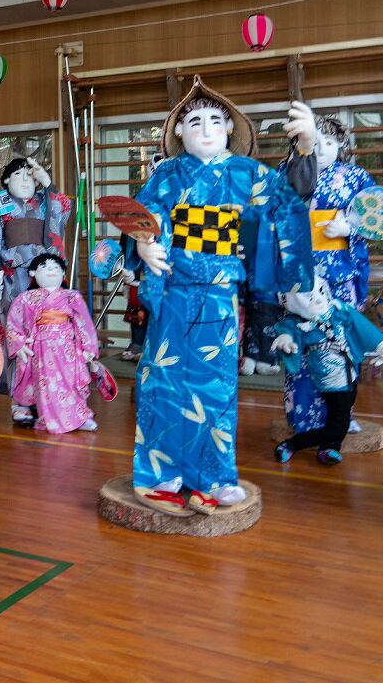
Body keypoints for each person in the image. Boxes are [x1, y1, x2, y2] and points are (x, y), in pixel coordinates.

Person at [123, 78, 317, 516]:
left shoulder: (246, 173)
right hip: (172, 287)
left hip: (217, 293)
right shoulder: (167, 173)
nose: (205, 128)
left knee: (216, 387)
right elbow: (142, 214)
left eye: (215, 120)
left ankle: (214, 476)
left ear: (230, 127)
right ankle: (159, 474)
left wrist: (305, 147)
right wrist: (142, 243)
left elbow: (290, 199)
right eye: (193, 121)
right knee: (163, 381)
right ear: (179, 134)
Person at [270, 274, 383, 465]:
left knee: (340, 414)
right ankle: (292, 444)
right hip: (327, 372)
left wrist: (381, 343)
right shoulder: (298, 321)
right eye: (309, 298)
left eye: (320, 292)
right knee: (340, 422)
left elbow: (360, 324)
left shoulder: (339, 310)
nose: (317, 299)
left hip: (349, 369)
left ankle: (329, 448)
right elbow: (287, 329)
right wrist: (286, 338)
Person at [0, 156, 71, 387]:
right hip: (13, 274)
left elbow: (63, 212)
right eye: (18, 174)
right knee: (15, 325)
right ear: (6, 180)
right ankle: (16, 387)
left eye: (30, 175)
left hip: (45, 273)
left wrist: (48, 182)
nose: (25, 179)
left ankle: (50, 386)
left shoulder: (44, 199)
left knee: (48, 326)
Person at [4, 253, 99, 433]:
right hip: (41, 346)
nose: (51, 270)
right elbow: (14, 322)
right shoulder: (26, 298)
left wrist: (88, 347)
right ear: (33, 272)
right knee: (46, 384)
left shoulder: (72, 296)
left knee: (71, 382)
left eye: (56, 267)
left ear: (63, 273)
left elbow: (83, 322)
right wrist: (19, 344)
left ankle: (80, 417)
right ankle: (48, 418)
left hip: (67, 346)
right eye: (45, 267)